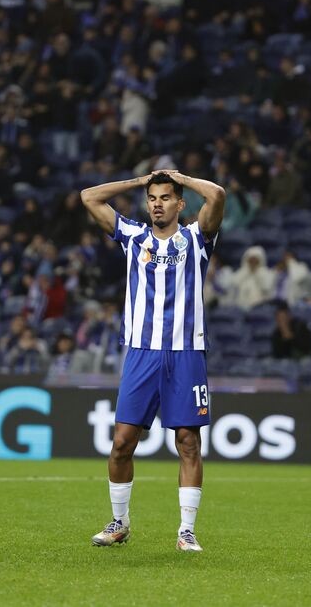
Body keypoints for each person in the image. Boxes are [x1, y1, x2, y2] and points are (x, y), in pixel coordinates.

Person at [80, 169, 225, 552]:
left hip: (186, 352)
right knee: (122, 442)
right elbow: (89, 197)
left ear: (180, 203)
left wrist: (181, 178)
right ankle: (119, 522)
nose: (157, 204)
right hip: (141, 353)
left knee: (187, 442)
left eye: (165, 197)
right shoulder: (133, 236)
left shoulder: (197, 237)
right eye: (153, 198)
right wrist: (136, 182)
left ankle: (186, 531)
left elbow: (218, 195)